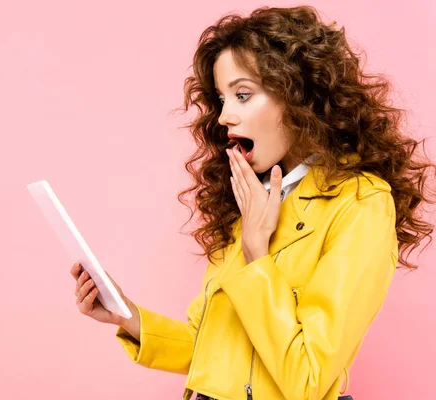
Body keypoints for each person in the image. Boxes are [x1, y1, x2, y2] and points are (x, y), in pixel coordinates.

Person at [69, 5, 434, 400]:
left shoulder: (361, 203)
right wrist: (128, 316)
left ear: (298, 95)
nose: (225, 116)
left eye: (242, 94)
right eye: (222, 99)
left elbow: (307, 378)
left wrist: (257, 254)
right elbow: (214, 348)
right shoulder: (250, 196)